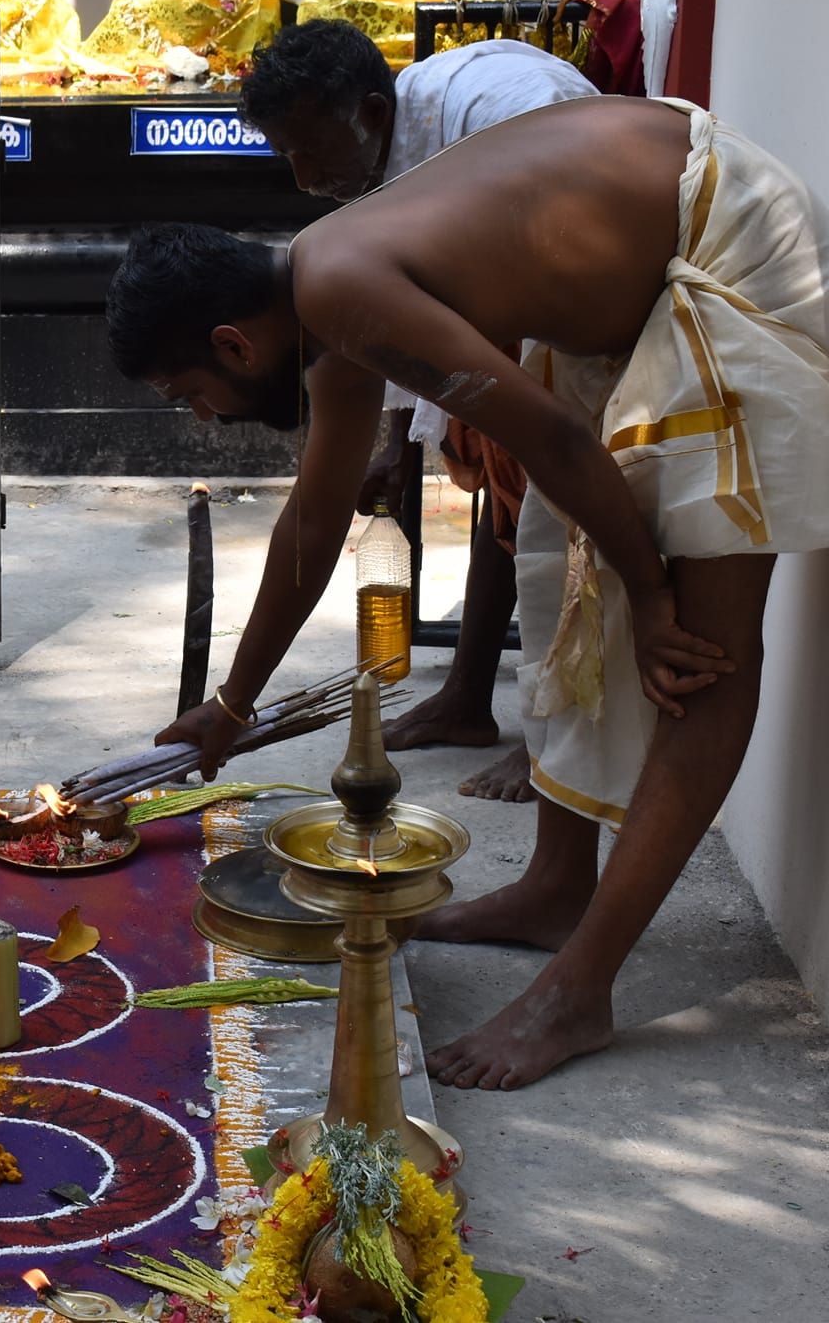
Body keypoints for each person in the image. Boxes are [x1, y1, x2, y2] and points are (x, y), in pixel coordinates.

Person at [106, 92, 829, 1090]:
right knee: (553, 562)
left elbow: (555, 438)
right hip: (644, 241)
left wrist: (655, 597)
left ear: (234, 344)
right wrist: (230, 708)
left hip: (727, 236)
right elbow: (312, 526)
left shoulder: (343, 287)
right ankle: (553, 886)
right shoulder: (320, 289)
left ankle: (579, 990)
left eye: (191, 397)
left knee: (701, 653)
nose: (204, 418)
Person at [239, 19, 598, 802]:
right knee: (502, 502)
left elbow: (542, 277)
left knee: (543, 518)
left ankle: (552, 746)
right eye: (287, 159)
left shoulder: (499, 119)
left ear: (371, 113)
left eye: (309, 152)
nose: (302, 181)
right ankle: (470, 698)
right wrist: (402, 441)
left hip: (584, 294)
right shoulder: (378, 165)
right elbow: (406, 326)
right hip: (511, 298)